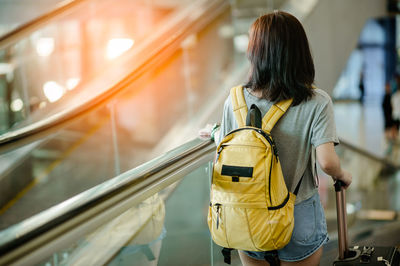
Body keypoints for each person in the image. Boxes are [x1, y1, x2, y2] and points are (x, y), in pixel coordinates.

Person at [214, 11, 352, 266]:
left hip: (248, 214)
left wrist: (214, 132)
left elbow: (224, 153)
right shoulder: (316, 101)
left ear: (255, 52)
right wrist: (342, 175)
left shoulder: (234, 101)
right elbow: (327, 162)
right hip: (297, 215)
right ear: (299, 52)